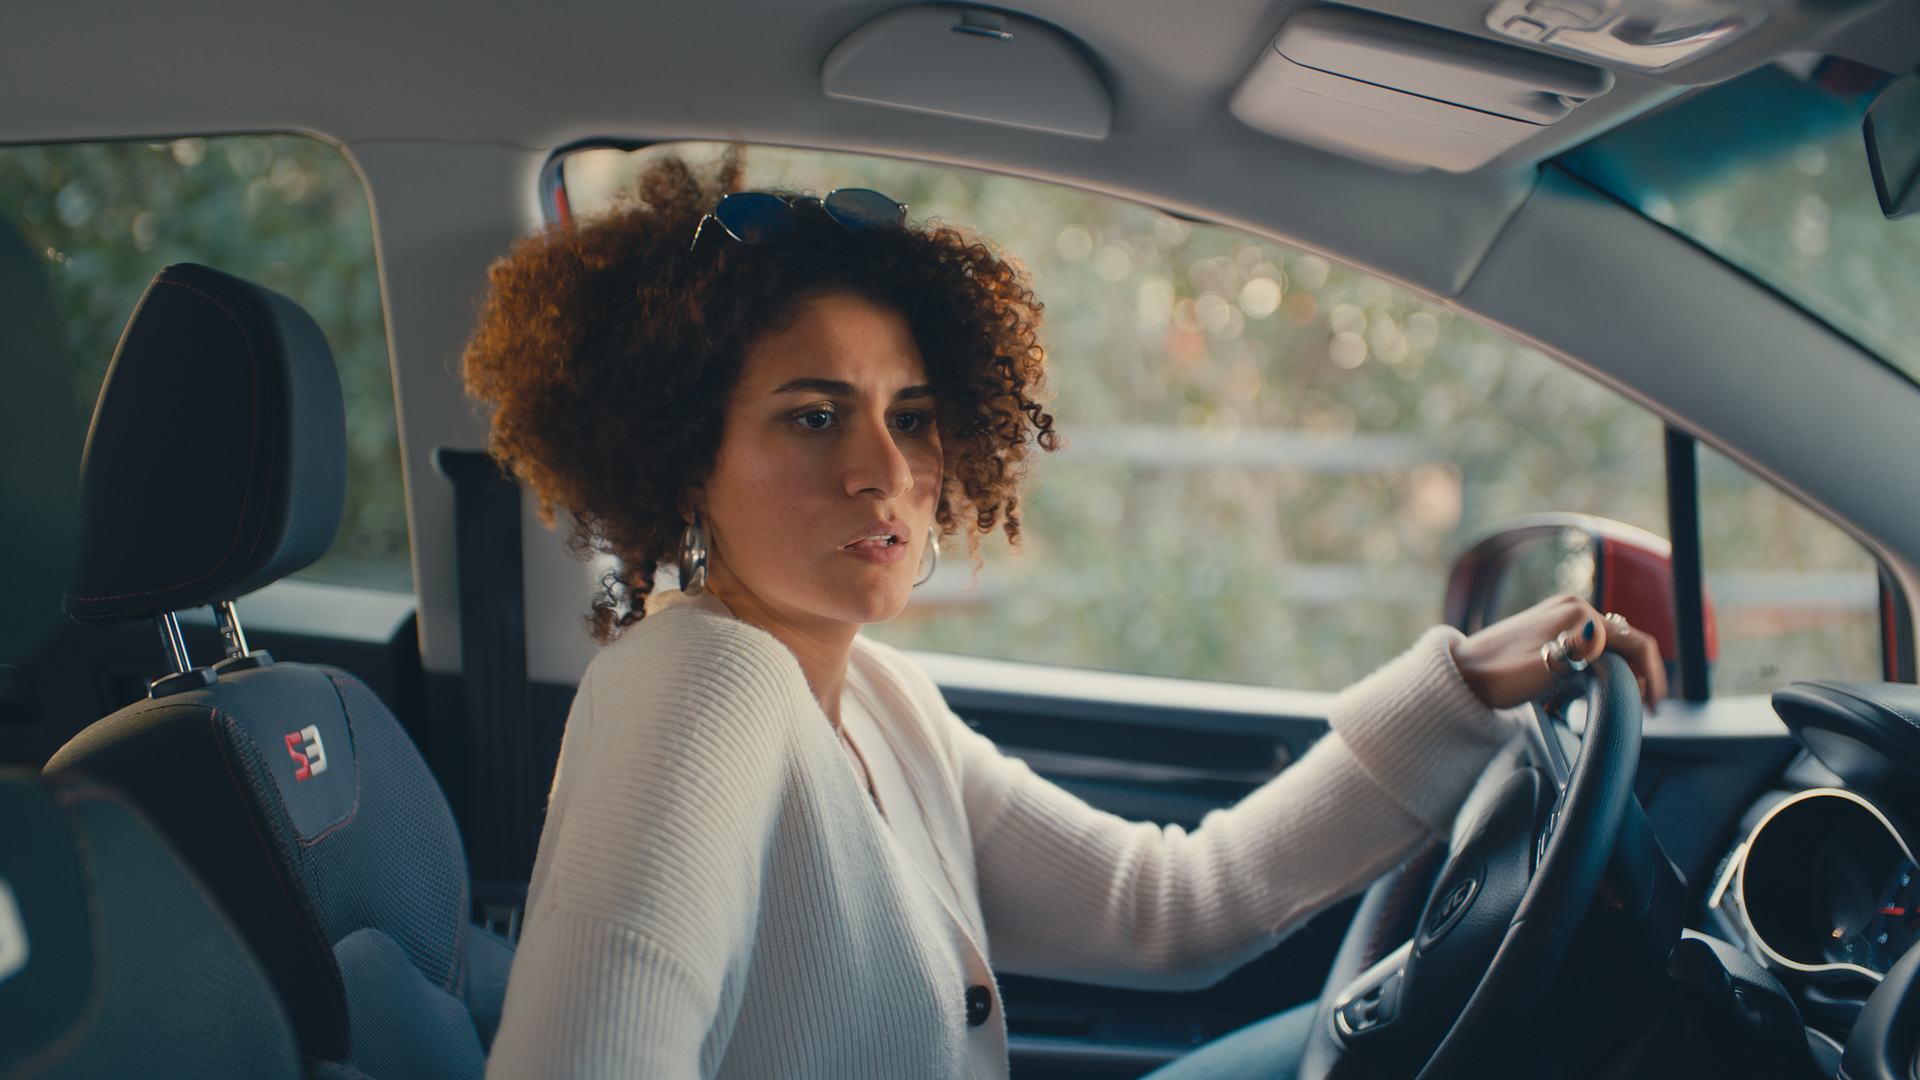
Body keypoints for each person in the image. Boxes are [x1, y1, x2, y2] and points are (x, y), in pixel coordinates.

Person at [463, 154, 1668, 1080]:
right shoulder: (698, 685)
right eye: (814, 416)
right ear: (683, 457)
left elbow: (1169, 907)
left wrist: (1461, 688)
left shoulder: (879, 700)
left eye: (913, 416)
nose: (888, 470)